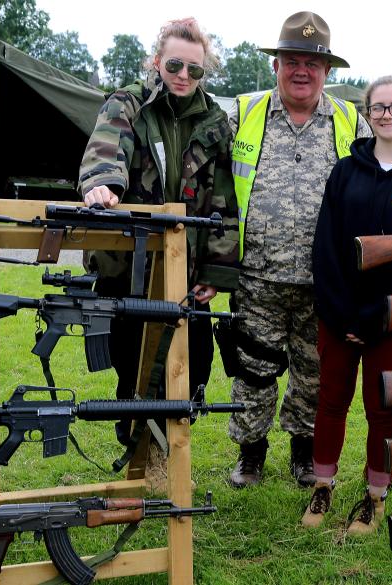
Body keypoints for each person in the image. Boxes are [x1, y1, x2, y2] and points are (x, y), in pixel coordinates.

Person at [77, 18, 239, 469]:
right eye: (174, 65)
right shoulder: (128, 103)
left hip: (186, 267)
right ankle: (140, 452)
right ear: (157, 62)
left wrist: (215, 271)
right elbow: (107, 146)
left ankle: (167, 448)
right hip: (128, 266)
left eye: (195, 69)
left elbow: (223, 199)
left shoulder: (214, 121)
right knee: (132, 362)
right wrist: (103, 184)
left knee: (195, 362)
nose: (184, 75)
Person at [225, 11, 372, 489]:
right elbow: (204, 181)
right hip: (256, 277)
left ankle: (304, 453)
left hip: (324, 283)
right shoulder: (242, 114)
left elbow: (379, 185)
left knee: (315, 374)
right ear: (276, 66)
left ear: (327, 70)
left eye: (312, 62)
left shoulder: (351, 122)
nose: (301, 71)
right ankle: (250, 454)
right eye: (292, 60)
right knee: (252, 371)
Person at [302, 75, 392, 534]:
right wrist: (342, 311)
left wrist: (378, 315)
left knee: (382, 408)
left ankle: (375, 496)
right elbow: (326, 247)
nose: (386, 115)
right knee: (331, 400)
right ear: (368, 115)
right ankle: (322, 487)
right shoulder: (345, 170)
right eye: (378, 107)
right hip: (339, 312)